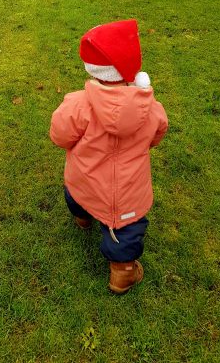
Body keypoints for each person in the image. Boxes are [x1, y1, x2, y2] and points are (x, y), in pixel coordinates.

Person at [49, 19, 168, 293]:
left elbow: (59, 135)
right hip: (128, 194)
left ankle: (82, 217)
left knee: (77, 196)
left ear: (94, 69)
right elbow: (157, 134)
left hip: (85, 182)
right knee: (126, 230)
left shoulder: (77, 105)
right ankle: (123, 272)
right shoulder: (151, 109)